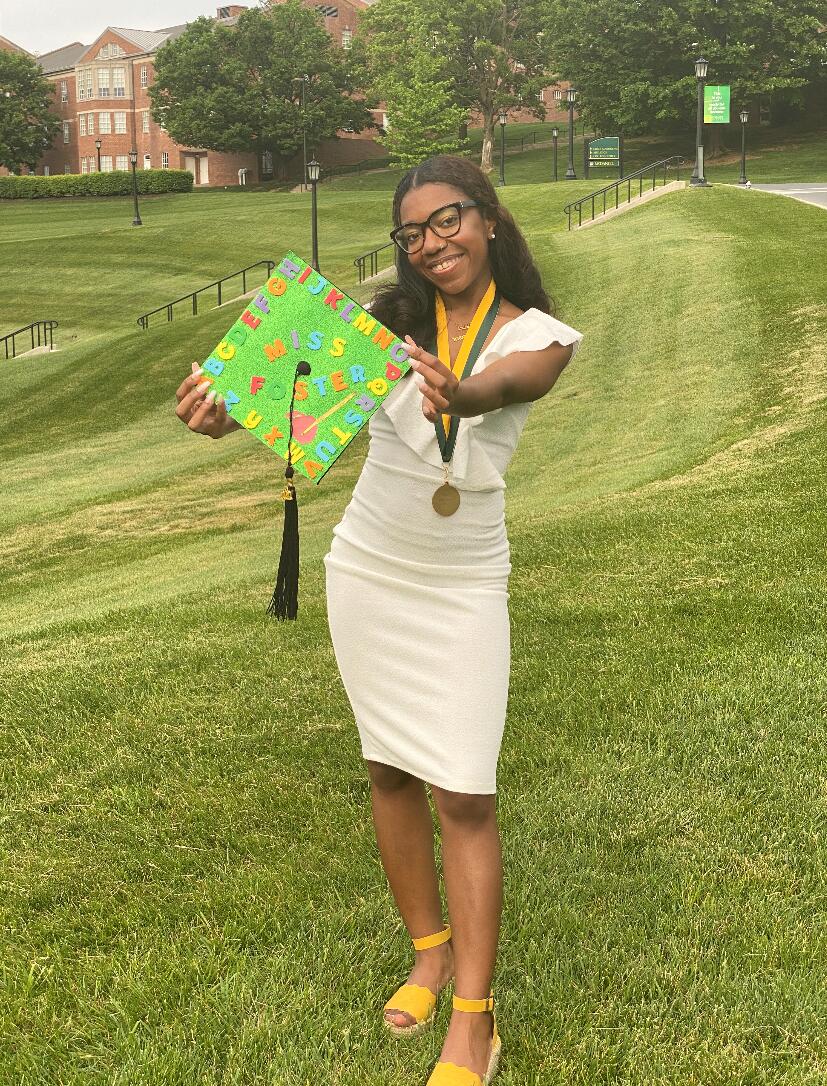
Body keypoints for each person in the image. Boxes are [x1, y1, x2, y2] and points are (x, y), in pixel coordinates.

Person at [175, 153, 583, 1086]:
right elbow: (283, 386)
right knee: (390, 771)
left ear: (486, 220)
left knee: (466, 792)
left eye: (448, 221)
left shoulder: (540, 333)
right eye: (413, 233)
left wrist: (457, 389)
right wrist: (221, 406)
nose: (432, 243)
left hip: (463, 579)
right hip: (368, 568)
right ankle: (429, 954)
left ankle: (473, 1021)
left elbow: (508, 386)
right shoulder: (379, 323)